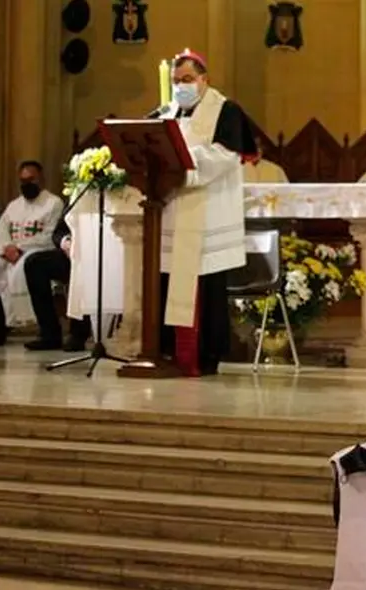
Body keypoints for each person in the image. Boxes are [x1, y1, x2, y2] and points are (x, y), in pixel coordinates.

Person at [153, 48, 256, 376]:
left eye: (187, 79)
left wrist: (183, 165)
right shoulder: (163, 114)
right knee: (167, 281)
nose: (181, 86)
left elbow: (226, 156)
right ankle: (168, 350)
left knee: (208, 288)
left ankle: (205, 357)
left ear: (204, 80)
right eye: (176, 81)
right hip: (171, 213)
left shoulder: (225, 110)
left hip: (207, 212)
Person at [0, 161, 65, 328]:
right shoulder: (14, 205)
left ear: (42, 179)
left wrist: (19, 248)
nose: (27, 184)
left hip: (38, 250)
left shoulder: (53, 203)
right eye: (23, 181)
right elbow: (2, 229)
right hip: (11, 252)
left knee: (23, 267)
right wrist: (6, 247)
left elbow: (50, 234)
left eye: (31, 179)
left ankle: (26, 320)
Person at [22, 219, 91, 351]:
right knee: (35, 263)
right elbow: (60, 230)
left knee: (81, 270)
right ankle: (49, 334)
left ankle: (78, 334)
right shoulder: (82, 198)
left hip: (100, 252)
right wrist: (66, 242)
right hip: (73, 252)